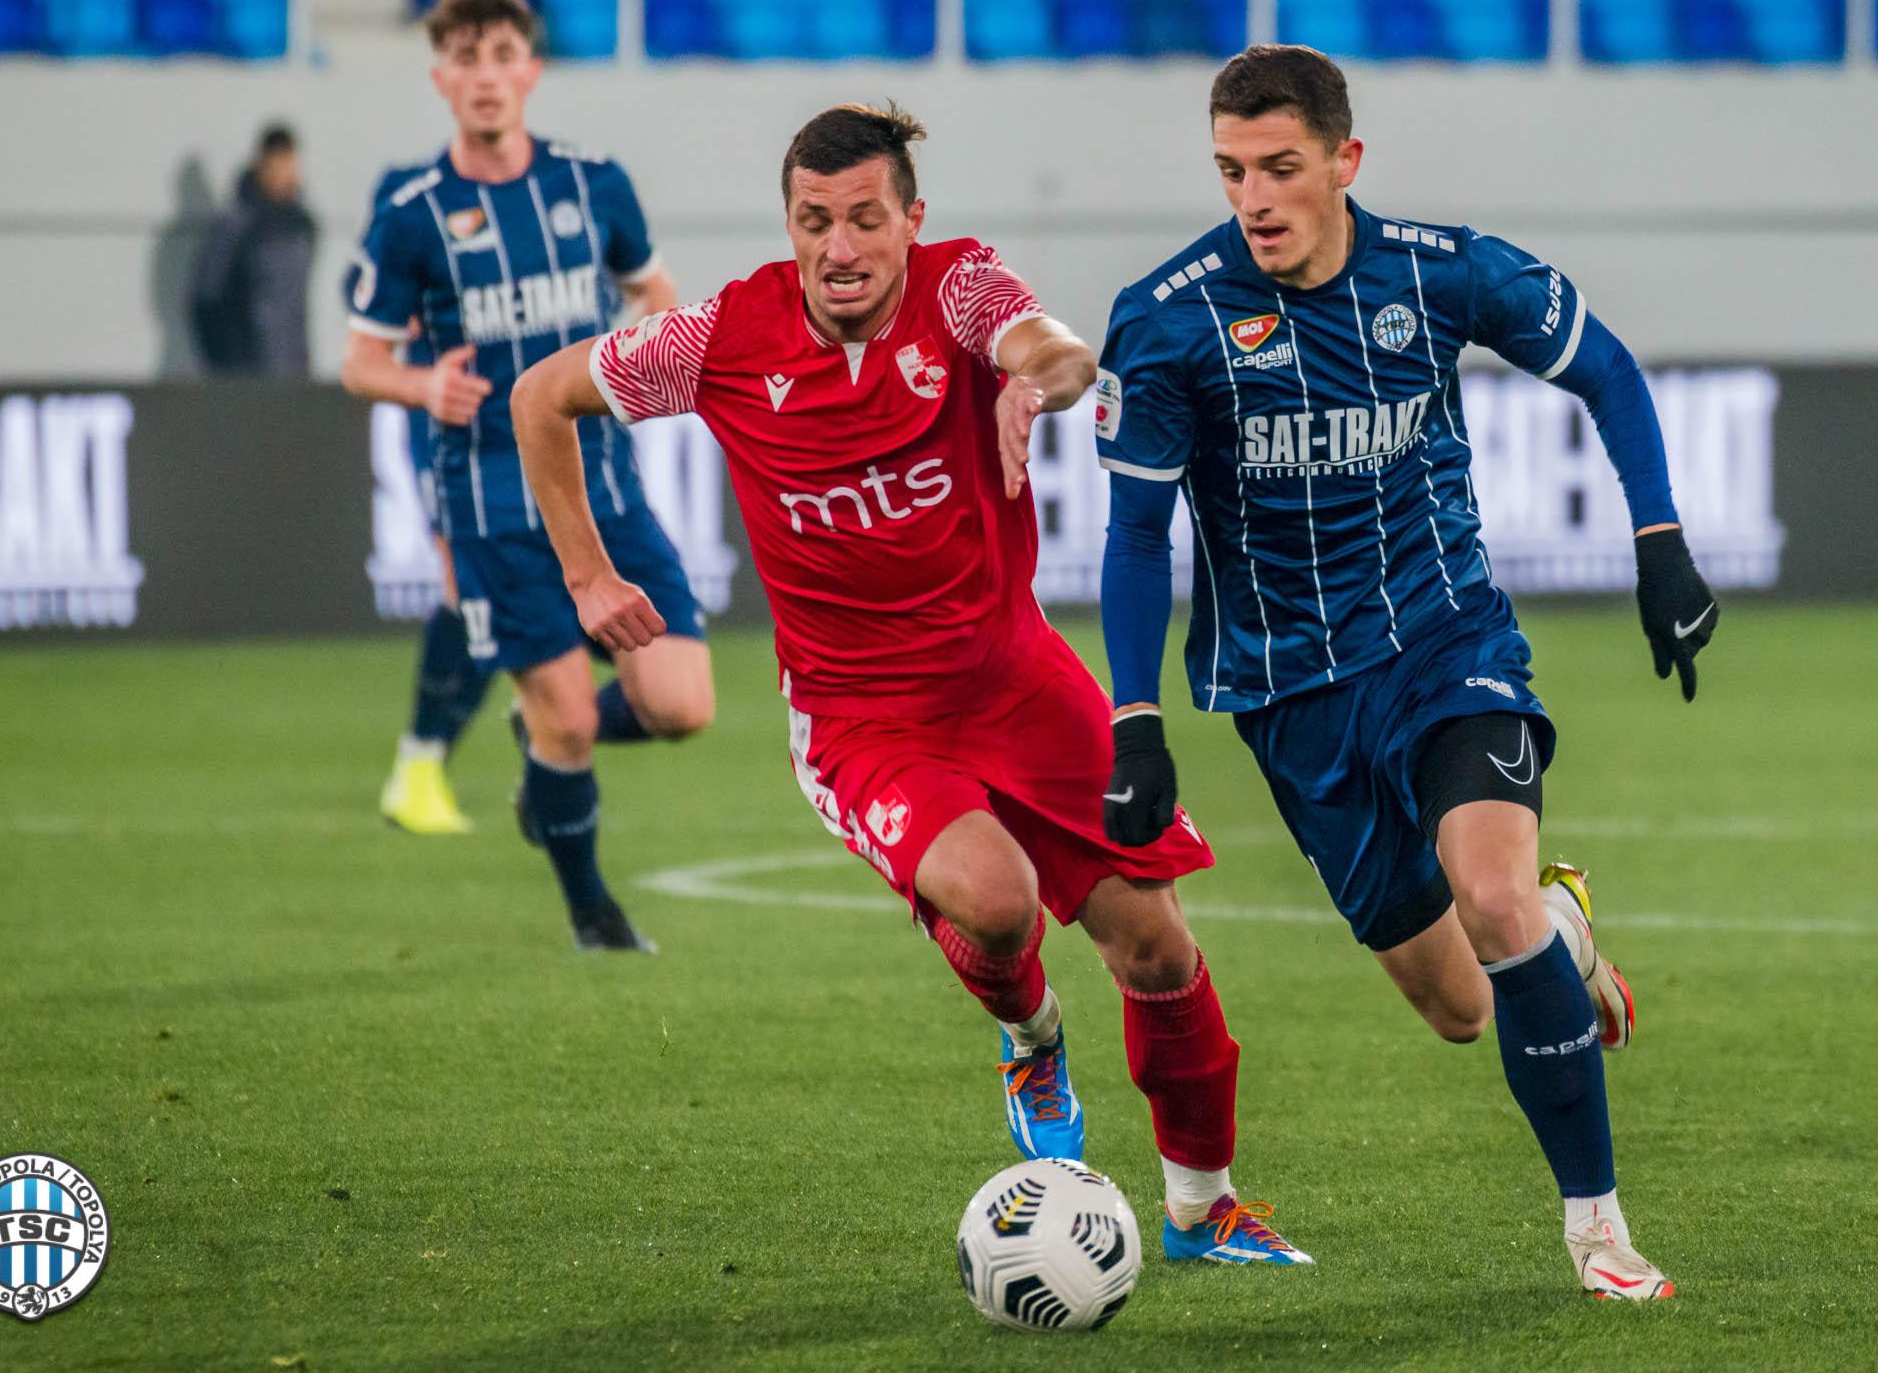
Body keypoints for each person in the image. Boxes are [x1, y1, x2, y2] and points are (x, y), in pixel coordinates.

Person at [509, 103, 1311, 1266]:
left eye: (865, 219)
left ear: (909, 220)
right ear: (789, 225)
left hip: (1014, 675)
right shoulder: (720, 337)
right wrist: (586, 577)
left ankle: (1204, 1207)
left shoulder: (959, 290)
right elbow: (542, 398)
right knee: (993, 901)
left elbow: (1058, 346)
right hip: (860, 715)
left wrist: (1033, 384)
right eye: (813, 222)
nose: (839, 247)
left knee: (1157, 949)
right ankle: (1032, 1034)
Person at [1094, 45, 1720, 1300]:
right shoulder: (1167, 319)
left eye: (1280, 168)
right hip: (1286, 695)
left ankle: (1598, 1230)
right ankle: (1565, 930)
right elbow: (1134, 534)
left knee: (1491, 903)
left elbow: (1607, 367)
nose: (1255, 199)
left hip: (1445, 643)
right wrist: (1137, 720)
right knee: (1461, 1005)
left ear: (1344, 160)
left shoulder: (1438, 273)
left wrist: (1660, 543)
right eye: (1231, 173)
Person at [339, 0, 714, 951]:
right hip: (495, 504)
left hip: (606, 487)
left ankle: (537, 748)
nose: (487, 77)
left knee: (681, 706)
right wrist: (422, 386)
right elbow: (359, 362)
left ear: (532, 71)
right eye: (466, 59)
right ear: (440, 80)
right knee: (577, 729)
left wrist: (642, 349)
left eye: (503, 55)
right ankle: (594, 916)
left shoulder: (594, 183)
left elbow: (657, 294)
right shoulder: (413, 215)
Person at [193, 123, 316, 379]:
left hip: (294, 373)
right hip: (246, 377)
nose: (284, 173)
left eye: (289, 163)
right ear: (262, 163)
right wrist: (226, 368)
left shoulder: (303, 226)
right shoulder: (236, 225)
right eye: (277, 163)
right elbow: (206, 299)